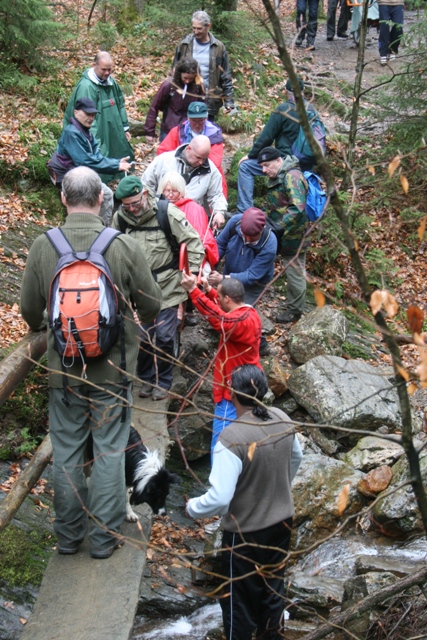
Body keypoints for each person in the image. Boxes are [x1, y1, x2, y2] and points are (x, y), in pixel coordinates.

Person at [20, 167, 162, 559]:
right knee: (110, 452)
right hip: (113, 374)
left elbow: (31, 311)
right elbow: (151, 305)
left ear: (63, 199)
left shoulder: (43, 246)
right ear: (101, 199)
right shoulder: (123, 245)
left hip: (64, 373)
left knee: (66, 453)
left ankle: (68, 538)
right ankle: (102, 540)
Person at [186, 364, 303, 640]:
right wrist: (278, 485)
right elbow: (296, 458)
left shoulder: (231, 438)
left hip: (245, 534)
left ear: (232, 394)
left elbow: (220, 498)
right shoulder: (282, 418)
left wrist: (192, 508)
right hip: (283, 523)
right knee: (272, 592)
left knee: (238, 601)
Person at [112, 175, 204, 401]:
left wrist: (189, 274)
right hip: (138, 288)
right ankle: (145, 378)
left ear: (144, 194)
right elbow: (112, 248)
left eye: (136, 203)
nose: (132, 209)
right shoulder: (120, 219)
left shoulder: (167, 213)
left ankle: (163, 381)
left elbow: (193, 243)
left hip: (168, 285)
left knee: (163, 336)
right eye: (127, 205)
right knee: (142, 337)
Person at [180, 272, 262, 460]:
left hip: (233, 393)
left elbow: (220, 319)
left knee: (222, 444)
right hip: (248, 386)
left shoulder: (240, 322)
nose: (217, 297)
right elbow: (223, 310)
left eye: (219, 294)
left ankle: (219, 482)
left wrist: (193, 291)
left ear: (227, 298)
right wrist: (208, 291)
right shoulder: (249, 312)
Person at [237, 77, 320, 213]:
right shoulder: (313, 111)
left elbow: (266, 138)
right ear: (303, 91)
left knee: (245, 167)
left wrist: (250, 155)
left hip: (284, 163)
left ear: (285, 92)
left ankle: (244, 212)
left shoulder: (283, 110)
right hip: (307, 166)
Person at [48, 98, 132, 225]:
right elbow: (84, 161)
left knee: (106, 194)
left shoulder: (87, 134)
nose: (90, 117)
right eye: (87, 114)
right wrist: (115, 165)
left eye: (93, 114)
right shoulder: (71, 132)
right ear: (76, 113)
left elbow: (96, 157)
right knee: (105, 195)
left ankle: (99, 228)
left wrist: (116, 162)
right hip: (66, 175)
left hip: (78, 172)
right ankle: (99, 229)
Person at [208, 207, 277, 356]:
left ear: (261, 229)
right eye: (245, 235)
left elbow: (252, 275)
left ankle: (260, 343)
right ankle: (229, 333)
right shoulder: (235, 222)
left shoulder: (270, 244)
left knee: (243, 311)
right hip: (230, 271)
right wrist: (211, 263)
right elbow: (220, 244)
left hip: (254, 283)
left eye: (252, 237)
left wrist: (223, 279)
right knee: (225, 304)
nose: (247, 239)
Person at [63, 51, 134, 181]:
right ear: (94, 65)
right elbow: (86, 119)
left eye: (109, 70)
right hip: (97, 130)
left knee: (118, 152)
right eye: (103, 70)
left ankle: (115, 179)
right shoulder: (87, 87)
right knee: (99, 155)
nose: (107, 73)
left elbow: (120, 103)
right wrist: (94, 142)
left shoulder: (111, 82)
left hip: (112, 127)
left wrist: (125, 127)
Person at [257, 147, 309, 324]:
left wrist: (278, 226)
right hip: (282, 233)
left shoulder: (292, 176)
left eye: (267, 165)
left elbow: (297, 208)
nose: (264, 170)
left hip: (293, 236)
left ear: (278, 161)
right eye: (262, 166)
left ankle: (295, 311)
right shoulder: (279, 175)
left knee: (295, 272)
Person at [141, 135, 227, 228]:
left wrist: (219, 212)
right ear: (189, 149)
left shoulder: (211, 170)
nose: (201, 162)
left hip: (191, 219)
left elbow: (216, 195)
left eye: (204, 158)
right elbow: (146, 185)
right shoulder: (164, 160)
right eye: (198, 157)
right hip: (161, 213)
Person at [173, 10, 235, 120]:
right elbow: (175, 72)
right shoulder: (184, 45)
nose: (196, 32)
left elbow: (225, 75)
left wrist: (228, 100)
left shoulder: (219, 48)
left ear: (208, 26)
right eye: (194, 28)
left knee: (205, 134)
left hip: (209, 99)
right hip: (186, 97)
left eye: (199, 28)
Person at [157, 101, 227, 197]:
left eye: (201, 120)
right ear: (188, 118)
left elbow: (214, 162)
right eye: (194, 121)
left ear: (206, 118)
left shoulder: (214, 135)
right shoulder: (178, 132)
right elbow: (163, 152)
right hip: (178, 173)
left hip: (205, 174)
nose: (197, 124)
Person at [158, 171, 219, 271]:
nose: (170, 195)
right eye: (167, 190)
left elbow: (201, 238)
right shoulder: (158, 207)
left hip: (188, 254)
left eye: (174, 191)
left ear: (181, 191)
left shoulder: (194, 209)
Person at [143, 58, 205, 143]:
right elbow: (155, 107)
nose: (187, 81)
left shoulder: (198, 87)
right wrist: (149, 131)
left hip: (189, 131)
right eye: (185, 78)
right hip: (168, 129)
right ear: (180, 74)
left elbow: (203, 109)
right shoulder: (169, 85)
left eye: (191, 79)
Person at [377, 0, 404, 65]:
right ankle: (383, 54)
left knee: (398, 27)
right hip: (383, 3)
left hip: (398, 3)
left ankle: (393, 50)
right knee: (384, 28)